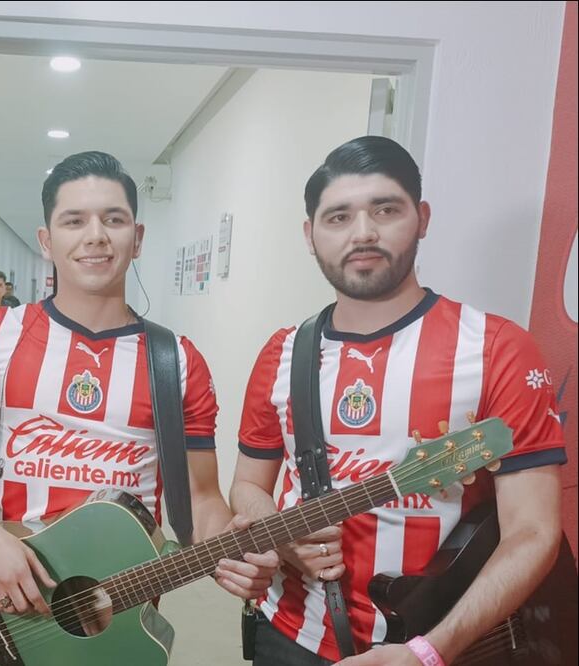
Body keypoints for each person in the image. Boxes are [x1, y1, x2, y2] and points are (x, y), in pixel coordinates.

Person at [229, 136, 566, 666]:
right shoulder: (282, 354)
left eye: (385, 210)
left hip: (437, 640)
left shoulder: (496, 348)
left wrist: (430, 651)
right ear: (310, 235)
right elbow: (248, 486)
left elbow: (534, 530)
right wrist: (279, 532)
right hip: (289, 632)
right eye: (338, 217)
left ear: (422, 218)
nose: (363, 232)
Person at [0, 150, 279, 621]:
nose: (96, 235)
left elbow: (201, 498)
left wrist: (229, 552)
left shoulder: (176, 362)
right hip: (10, 612)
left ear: (138, 238)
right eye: (74, 221)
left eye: (114, 219)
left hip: (121, 619)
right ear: (46, 241)